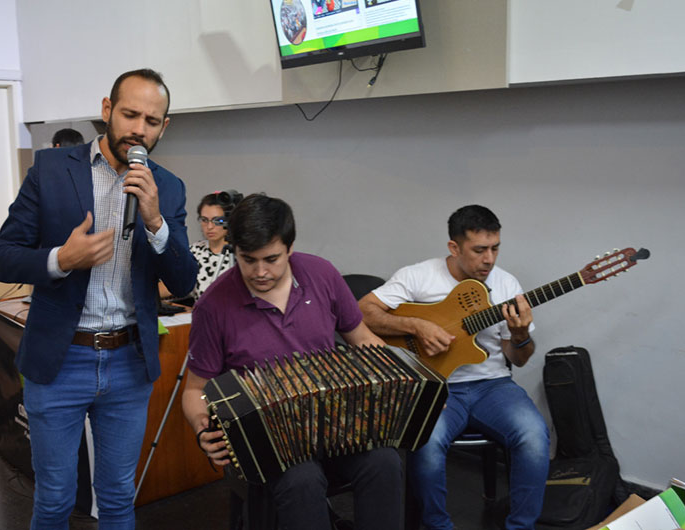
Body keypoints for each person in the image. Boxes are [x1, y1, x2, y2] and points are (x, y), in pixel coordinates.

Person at [0, 68, 198, 529]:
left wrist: (155, 220)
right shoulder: (50, 170)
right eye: (129, 114)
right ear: (107, 111)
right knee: (56, 498)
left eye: (152, 120)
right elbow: (1, 259)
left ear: (165, 126)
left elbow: (184, 280)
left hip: (129, 363)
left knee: (120, 497)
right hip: (60, 361)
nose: (139, 129)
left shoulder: (169, 188)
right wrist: (62, 258)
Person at [181, 194, 404, 530]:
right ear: (234, 251)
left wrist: (405, 383)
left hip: (334, 422)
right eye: (247, 259)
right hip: (267, 437)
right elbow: (194, 389)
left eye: (271, 259)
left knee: (385, 461)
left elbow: (361, 338)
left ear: (290, 247)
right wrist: (202, 429)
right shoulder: (213, 307)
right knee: (302, 480)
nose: (259, 272)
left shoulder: (322, 274)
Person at [358, 205, 550, 530]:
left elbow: (519, 358)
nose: (489, 259)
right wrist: (416, 327)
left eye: (495, 248)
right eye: (479, 250)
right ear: (454, 247)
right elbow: (363, 312)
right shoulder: (418, 276)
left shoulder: (505, 284)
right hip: (435, 386)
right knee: (427, 442)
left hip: (493, 385)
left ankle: (521, 527)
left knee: (534, 435)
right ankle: (439, 526)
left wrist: (519, 336)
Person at [187, 193, 234, 303]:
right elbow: (175, 284)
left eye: (218, 220)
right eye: (204, 220)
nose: (210, 227)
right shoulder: (194, 251)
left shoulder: (240, 254)